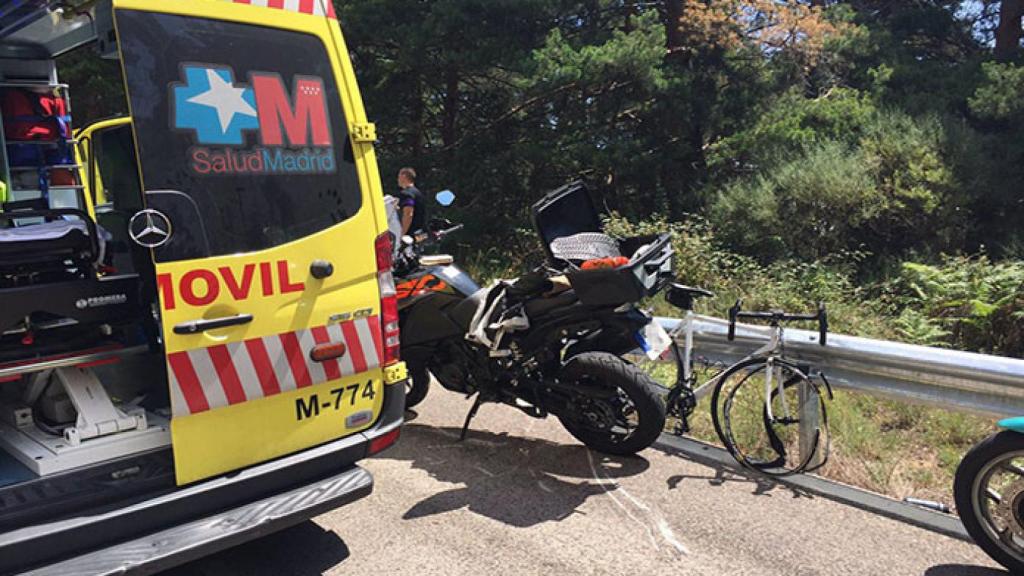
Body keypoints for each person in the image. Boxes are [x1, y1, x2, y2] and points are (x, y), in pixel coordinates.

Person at [391, 167, 426, 236]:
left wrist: (402, 234)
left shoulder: (407, 194)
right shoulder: (418, 193)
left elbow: (408, 214)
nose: (398, 179)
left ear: (404, 177)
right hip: (419, 233)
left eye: (399, 177)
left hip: (410, 235)